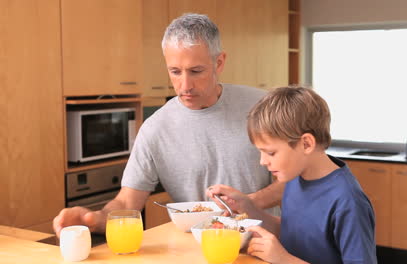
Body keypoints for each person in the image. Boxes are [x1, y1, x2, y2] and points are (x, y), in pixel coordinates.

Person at [53, 13, 284, 236]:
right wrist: (93, 220)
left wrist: (249, 203)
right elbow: (127, 202)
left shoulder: (262, 107)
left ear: (219, 62)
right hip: (195, 250)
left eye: (196, 71)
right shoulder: (155, 129)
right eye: (175, 72)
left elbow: (294, 179)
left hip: (264, 244)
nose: (185, 85)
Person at [207, 87, 377, 264]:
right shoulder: (295, 178)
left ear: (306, 144)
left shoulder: (348, 202)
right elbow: (293, 234)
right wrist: (247, 207)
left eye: (271, 153)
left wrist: (284, 260)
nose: (262, 162)